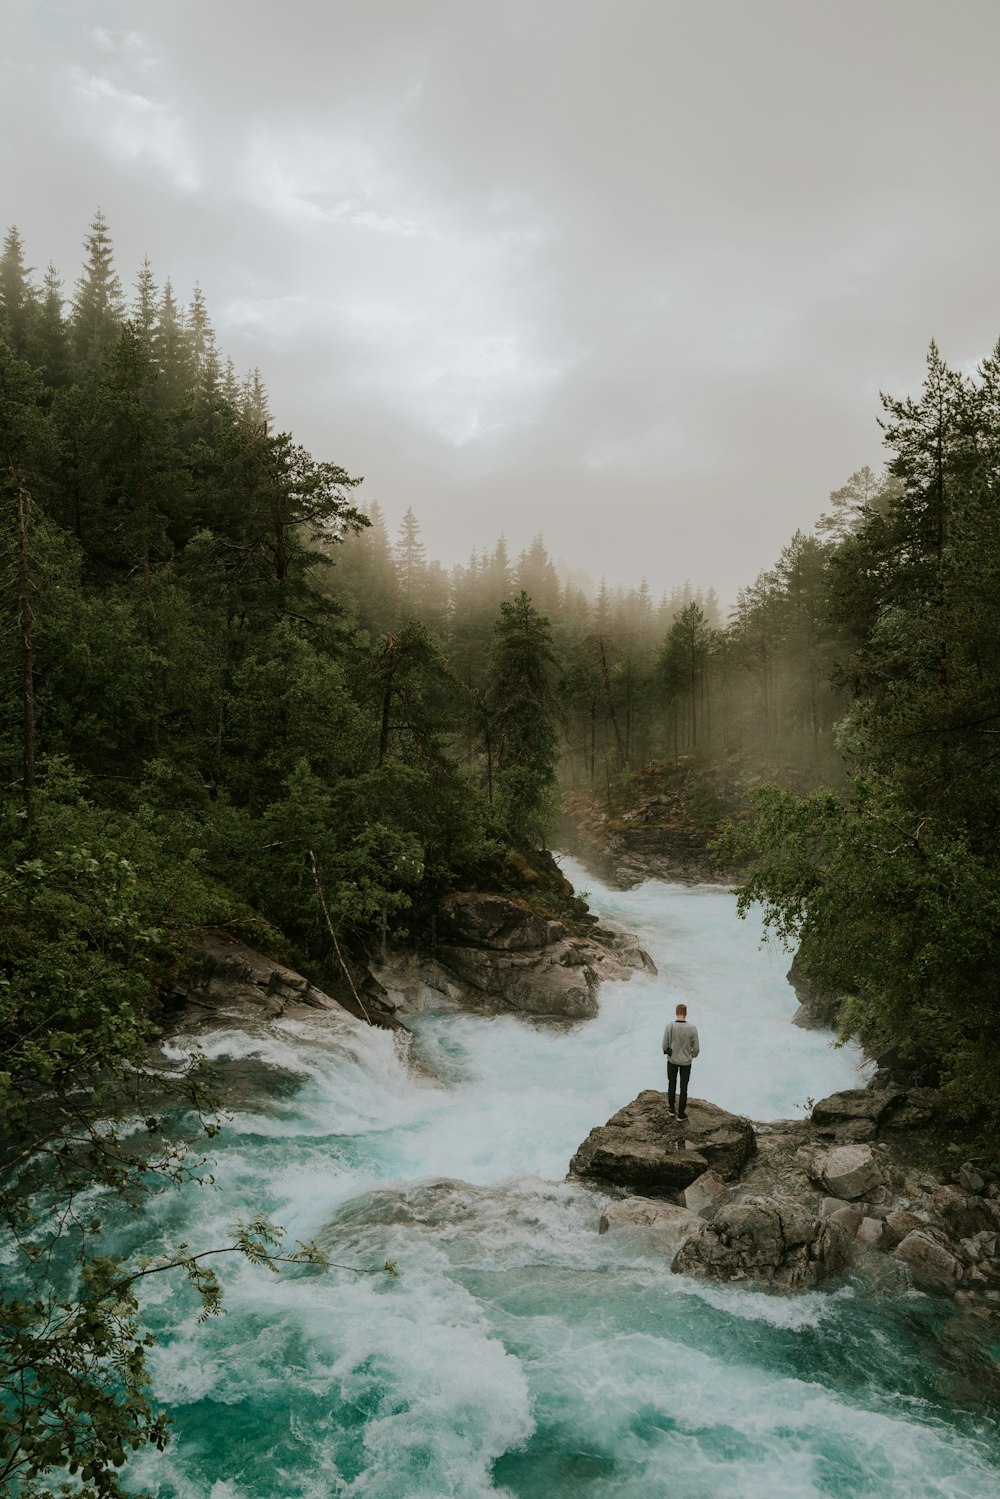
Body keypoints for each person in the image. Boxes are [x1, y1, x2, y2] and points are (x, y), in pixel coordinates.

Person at [662, 1002, 699, 1121]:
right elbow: (696, 1048)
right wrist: (691, 1056)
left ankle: (671, 1110)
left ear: (676, 1013)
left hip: (672, 1060)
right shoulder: (692, 1028)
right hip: (686, 1062)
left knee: (671, 1084)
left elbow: (664, 1045)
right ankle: (681, 1114)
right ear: (686, 1014)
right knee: (684, 1087)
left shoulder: (670, 1026)